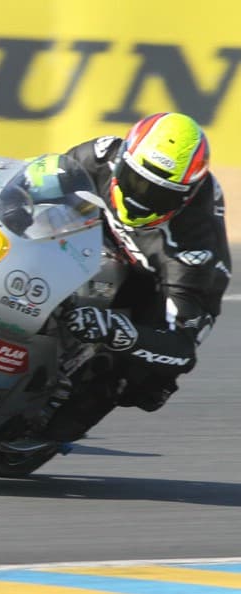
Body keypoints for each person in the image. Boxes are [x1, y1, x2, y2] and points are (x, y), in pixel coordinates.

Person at [38, 112, 230, 441]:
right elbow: (33, 180)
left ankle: (63, 416)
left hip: (160, 282)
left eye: (158, 195)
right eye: (134, 180)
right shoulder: (100, 155)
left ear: (184, 197)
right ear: (123, 158)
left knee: (144, 378)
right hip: (100, 237)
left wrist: (116, 330)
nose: (139, 199)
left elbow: (182, 350)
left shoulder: (193, 249)